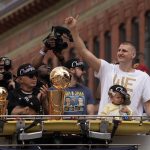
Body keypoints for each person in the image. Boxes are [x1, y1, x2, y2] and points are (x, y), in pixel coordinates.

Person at [64, 16, 150, 116]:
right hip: (106, 128)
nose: (120, 53)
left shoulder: (143, 77)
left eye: (124, 51)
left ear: (133, 55)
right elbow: (83, 52)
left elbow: (148, 105)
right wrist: (74, 30)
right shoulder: (107, 68)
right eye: (119, 50)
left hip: (130, 128)